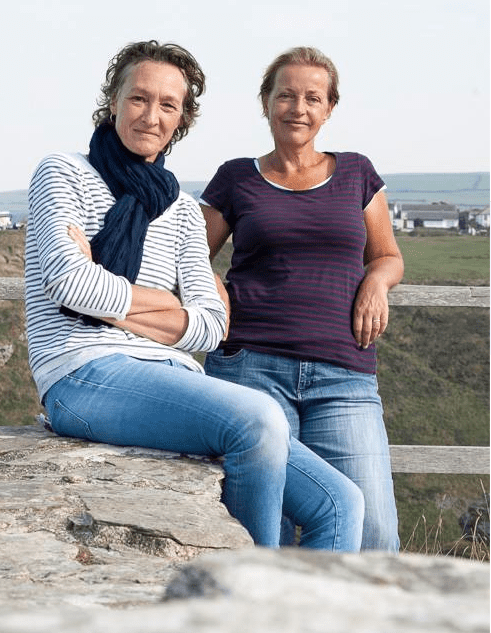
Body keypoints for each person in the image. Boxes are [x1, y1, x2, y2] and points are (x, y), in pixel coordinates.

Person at [24, 40, 364, 550]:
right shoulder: (63, 172)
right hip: (81, 373)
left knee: (339, 503)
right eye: (139, 99)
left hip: (170, 375)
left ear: (182, 119)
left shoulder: (182, 209)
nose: (151, 116)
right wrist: (162, 306)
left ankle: (300, 626)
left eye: (168, 105)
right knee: (257, 418)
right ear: (113, 101)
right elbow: (68, 285)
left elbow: (209, 324)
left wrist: (103, 293)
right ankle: (245, 598)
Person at [200, 46, 403, 551]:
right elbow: (190, 257)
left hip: (345, 375)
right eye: (285, 95)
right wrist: (216, 287)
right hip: (251, 368)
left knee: (374, 532)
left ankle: (356, 631)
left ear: (330, 107)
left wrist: (377, 282)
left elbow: (388, 256)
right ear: (265, 102)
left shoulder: (358, 173)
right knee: (266, 531)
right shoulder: (235, 177)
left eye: (313, 97)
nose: (298, 107)